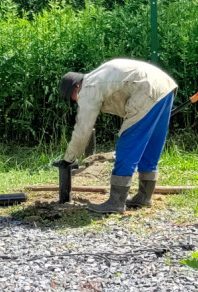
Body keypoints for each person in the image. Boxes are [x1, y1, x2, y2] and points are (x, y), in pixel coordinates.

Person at [56, 58, 178, 214]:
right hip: (165, 87)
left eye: (72, 98)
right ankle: (144, 197)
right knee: (151, 145)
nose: (75, 101)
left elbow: (83, 130)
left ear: (76, 87)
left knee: (128, 144)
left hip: (147, 91)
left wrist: (69, 158)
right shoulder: (98, 77)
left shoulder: (88, 88)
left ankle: (116, 202)